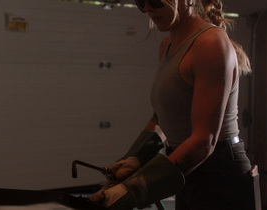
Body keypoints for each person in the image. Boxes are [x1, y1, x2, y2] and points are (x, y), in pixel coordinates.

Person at [89, 0, 257, 209]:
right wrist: (136, 158)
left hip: (220, 179)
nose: (148, 8)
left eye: (156, 1)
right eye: (141, 2)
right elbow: (160, 118)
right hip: (185, 172)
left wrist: (132, 190)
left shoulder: (210, 43)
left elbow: (204, 141)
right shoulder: (167, 45)